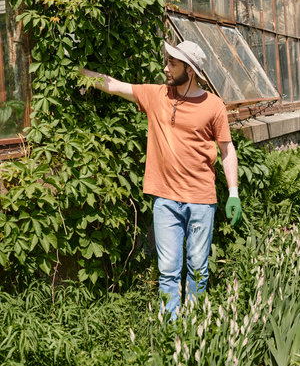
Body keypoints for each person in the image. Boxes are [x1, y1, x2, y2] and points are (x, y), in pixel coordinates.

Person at [80, 40, 242, 320]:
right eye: (167, 61)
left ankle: (193, 331)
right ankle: (171, 335)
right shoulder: (156, 95)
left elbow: (227, 150)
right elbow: (115, 85)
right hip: (165, 200)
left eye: (173, 64)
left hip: (201, 201)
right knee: (168, 270)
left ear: (189, 70)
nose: (165, 68)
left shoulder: (214, 106)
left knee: (198, 268)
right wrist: (77, 72)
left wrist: (234, 193)